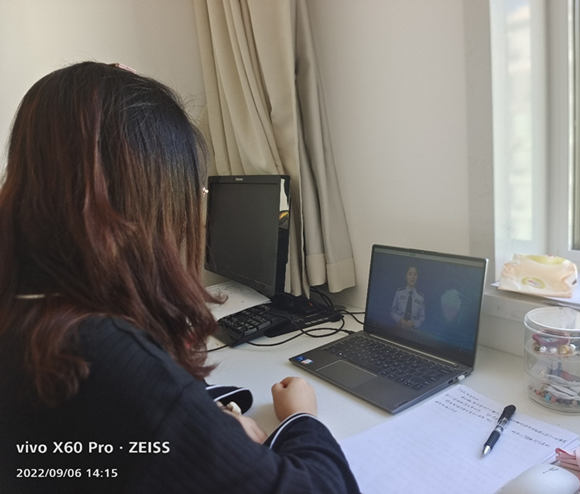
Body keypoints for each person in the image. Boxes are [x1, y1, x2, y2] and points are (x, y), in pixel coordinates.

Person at [0, 62, 360, 494]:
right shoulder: (101, 353)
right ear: (145, 204)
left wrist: (208, 425)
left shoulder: (29, 311)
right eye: (193, 194)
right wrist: (301, 419)